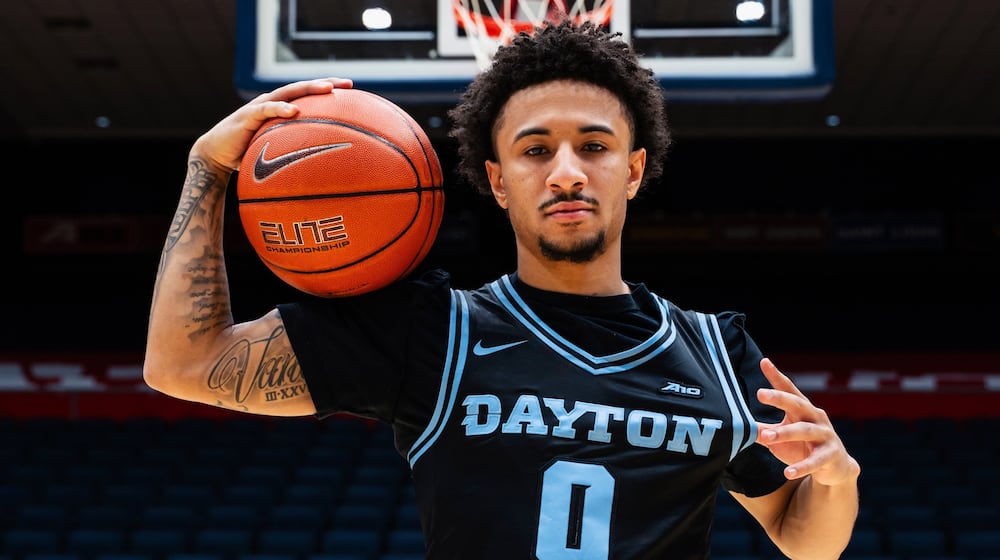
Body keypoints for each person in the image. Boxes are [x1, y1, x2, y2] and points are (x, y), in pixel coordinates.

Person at [144, 21, 860, 560]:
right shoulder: (431, 333)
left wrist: (835, 479)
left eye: (596, 146)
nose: (568, 172)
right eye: (536, 149)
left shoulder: (715, 349)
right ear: (496, 180)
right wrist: (206, 172)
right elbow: (181, 365)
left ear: (635, 170)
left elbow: (806, 541)